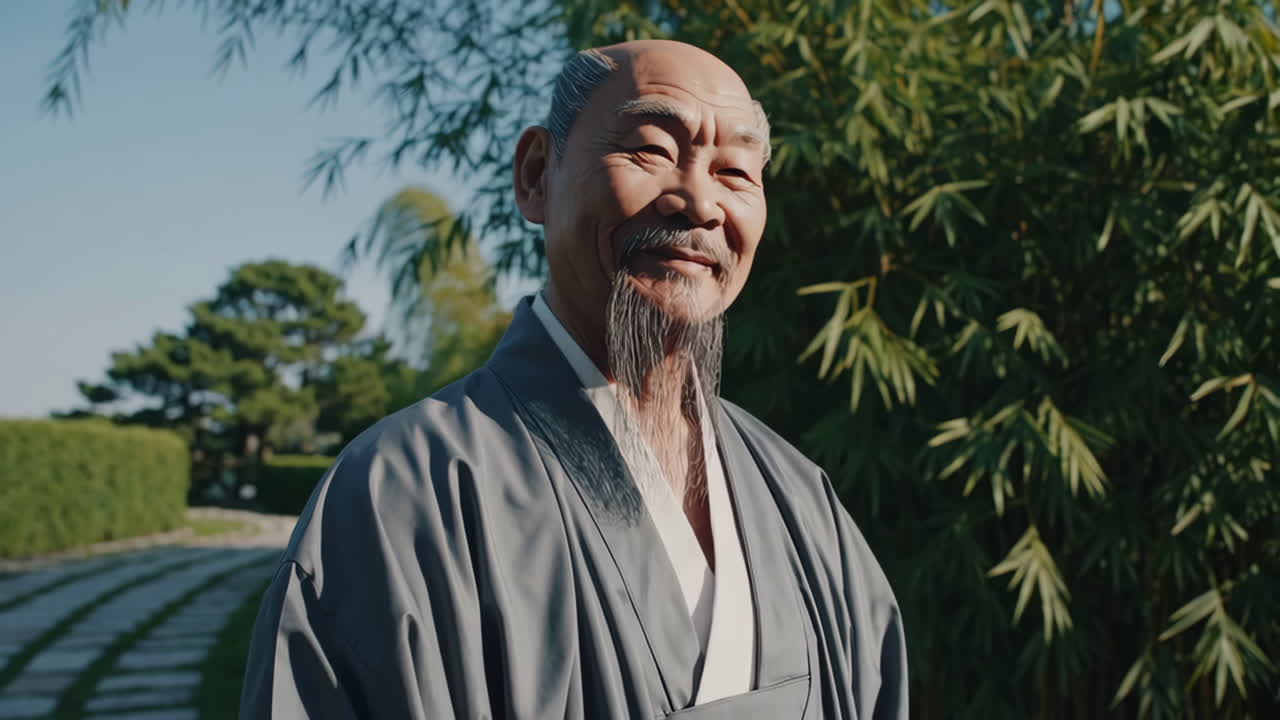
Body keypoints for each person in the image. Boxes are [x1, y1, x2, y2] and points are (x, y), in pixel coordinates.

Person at [241, 39, 907, 719]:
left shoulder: (800, 498)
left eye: (735, 171)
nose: (700, 201)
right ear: (536, 176)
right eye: (652, 149)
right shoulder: (403, 496)